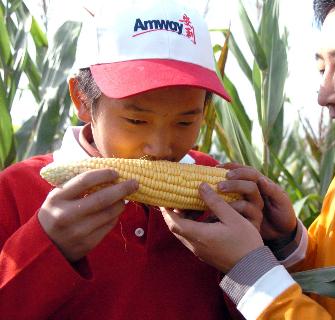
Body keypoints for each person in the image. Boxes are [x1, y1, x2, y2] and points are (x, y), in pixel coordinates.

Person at [161, 0, 335, 319]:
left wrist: (250, 272)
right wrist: (287, 241)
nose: (324, 95)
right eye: (321, 69)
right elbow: (334, 286)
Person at [0, 1, 264, 319]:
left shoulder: (216, 189)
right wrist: (46, 248)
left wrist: (259, 252)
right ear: (81, 100)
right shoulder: (16, 191)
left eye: (184, 122)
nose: (160, 147)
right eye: (137, 121)